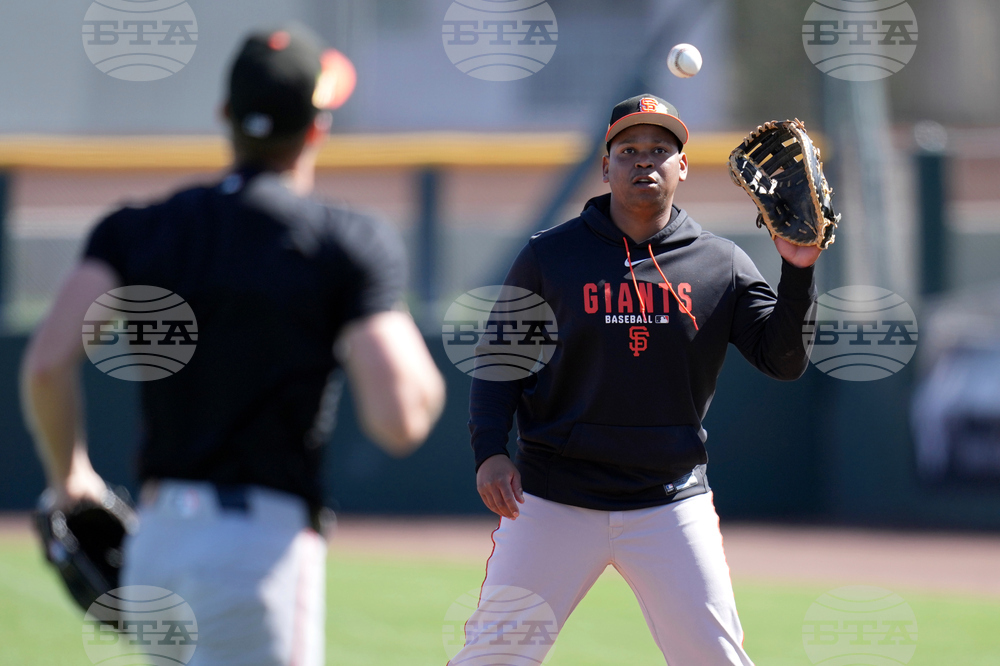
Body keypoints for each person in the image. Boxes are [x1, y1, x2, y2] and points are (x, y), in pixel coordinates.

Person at [21, 26, 445, 666]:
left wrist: (70, 478)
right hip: (256, 551)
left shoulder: (138, 228)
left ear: (224, 116)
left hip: (156, 545)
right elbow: (399, 419)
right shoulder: (344, 241)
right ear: (318, 127)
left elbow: (47, 365)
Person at [457, 94, 822, 665]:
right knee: (492, 656)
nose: (643, 161)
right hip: (555, 497)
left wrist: (798, 273)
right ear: (606, 167)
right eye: (628, 150)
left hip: (669, 501)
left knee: (716, 660)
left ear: (682, 166)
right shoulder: (551, 257)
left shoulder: (718, 262)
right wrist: (489, 452)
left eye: (659, 150)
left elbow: (784, 361)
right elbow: (501, 358)